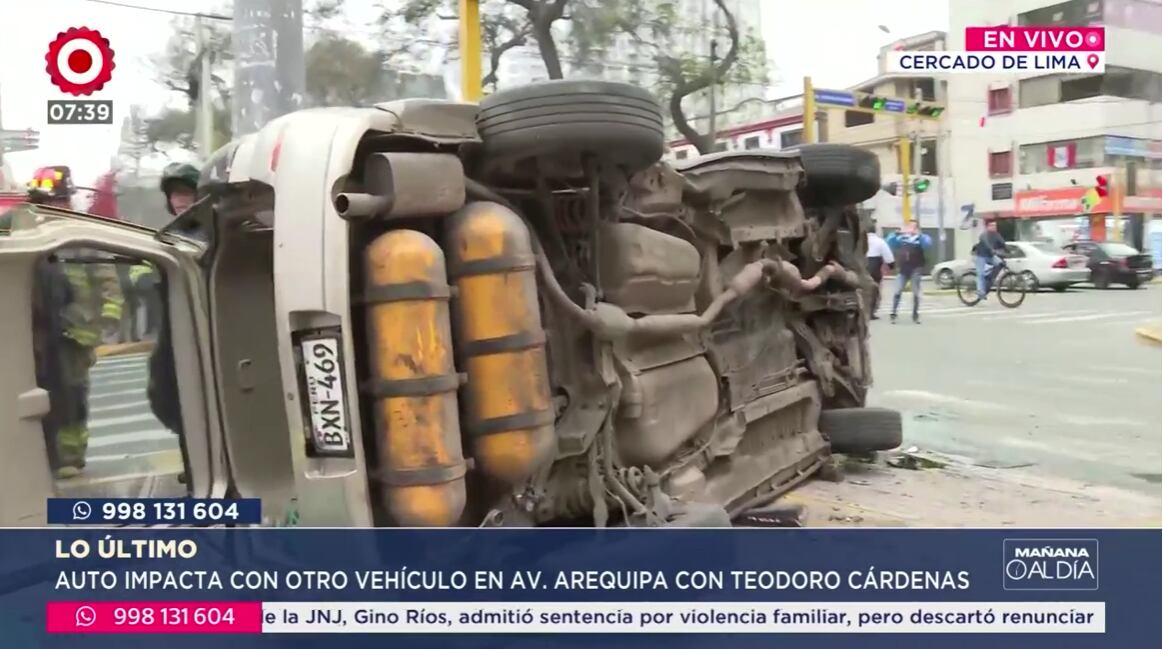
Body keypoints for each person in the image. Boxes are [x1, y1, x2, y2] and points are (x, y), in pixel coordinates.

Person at [26, 167, 125, 479]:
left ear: (67, 202)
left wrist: (101, 324)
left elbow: (109, 287)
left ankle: (71, 457)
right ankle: (42, 457)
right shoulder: (27, 239)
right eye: (42, 201)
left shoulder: (81, 239)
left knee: (72, 397)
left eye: (55, 201)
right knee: (38, 397)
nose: (49, 207)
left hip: (73, 337)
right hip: (37, 337)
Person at [886, 221, 933, 324]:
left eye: (912, 226)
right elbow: (889, 241)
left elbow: (928, 244)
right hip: (902, 269)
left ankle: (915, 315)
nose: (909, 228)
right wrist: (896, 233)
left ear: (917, 228)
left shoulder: (920, 239)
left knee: (916, 293)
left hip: (916, 268)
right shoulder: (901, 238)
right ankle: (893, 313)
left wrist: (919, 235)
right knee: (897, 291)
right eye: (908, 226)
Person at [973, 219, 1008, 301]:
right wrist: (991, 249)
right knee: (980, 274)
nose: (994, 227)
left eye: (995, 226)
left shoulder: (996, 235)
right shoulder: (984, 235)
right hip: (980, 256)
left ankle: (990, 278)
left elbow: (1003, 243)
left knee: (1000, 264)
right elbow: (986, 243)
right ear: (987, 227)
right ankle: (980, 291)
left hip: (990, 256)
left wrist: (1009, 251)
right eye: (992, 225)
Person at [865, 224, 895, 320]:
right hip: (875, 270)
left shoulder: (860, 241)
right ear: (875, 231)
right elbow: (888, 257)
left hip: (862, 268)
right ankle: (871, 312)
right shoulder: (880, 242)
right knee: (876, 291)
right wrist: (891, 266)